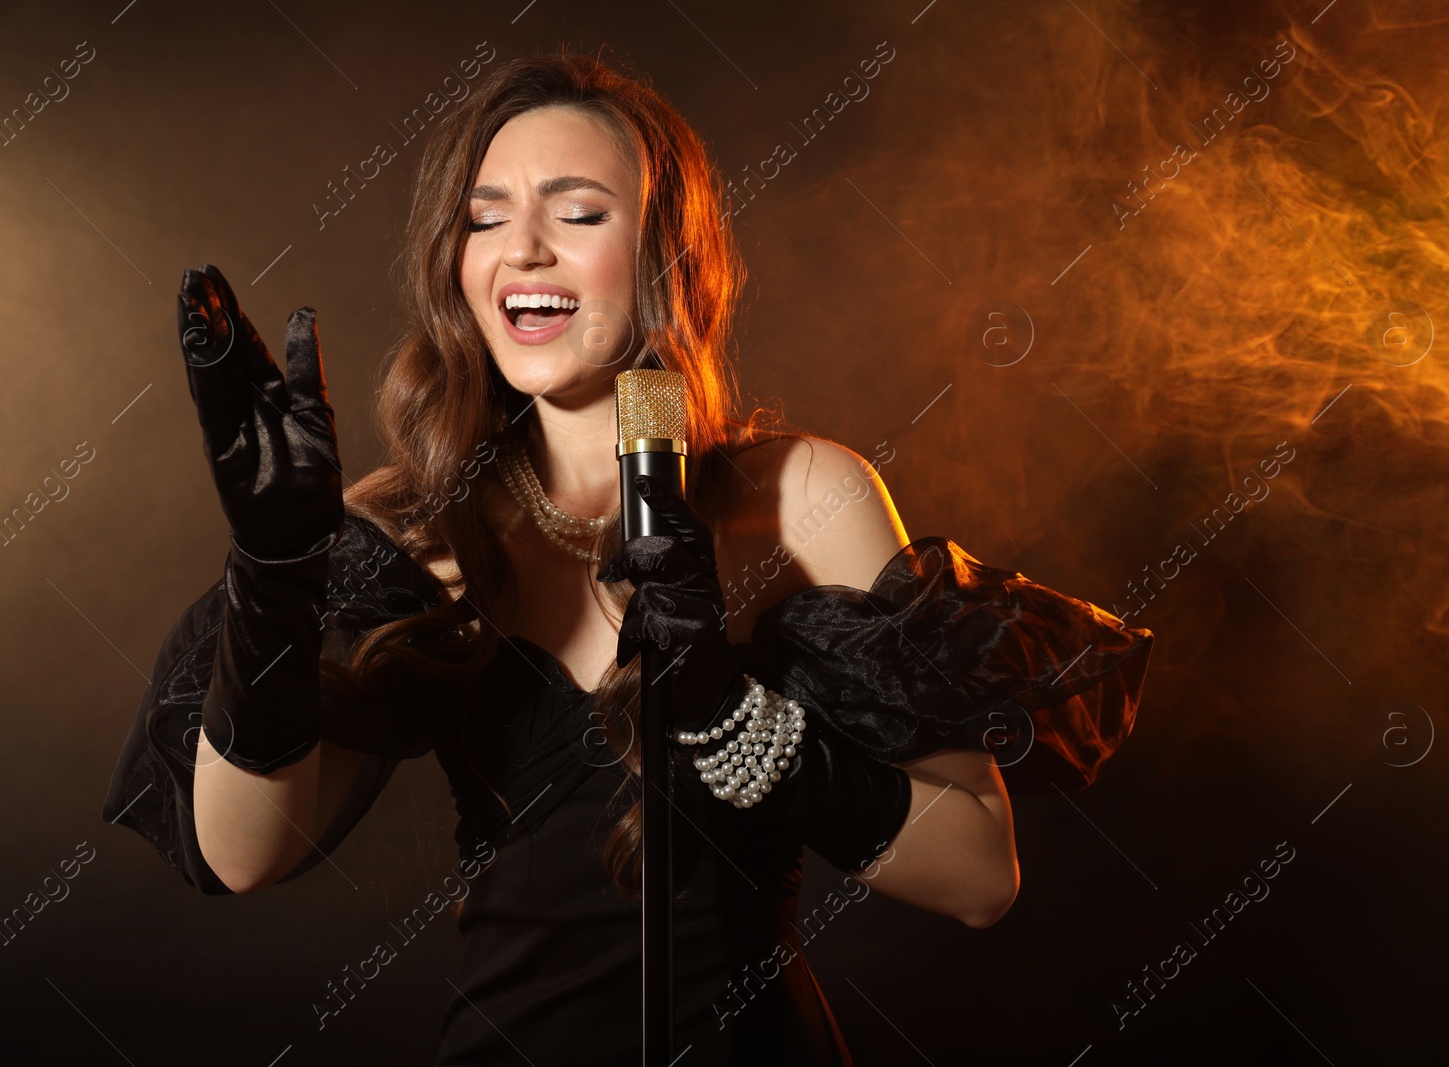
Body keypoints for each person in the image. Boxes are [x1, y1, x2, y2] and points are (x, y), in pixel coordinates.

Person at [102, 51, 1155, 1065]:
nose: (521, 249)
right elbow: (246, 852)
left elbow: (980, 875)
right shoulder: (417, 528)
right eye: (484, 218)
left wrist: (729, 709)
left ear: (666, 254)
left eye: (576, 213)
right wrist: (275, 568)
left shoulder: (803, 496)